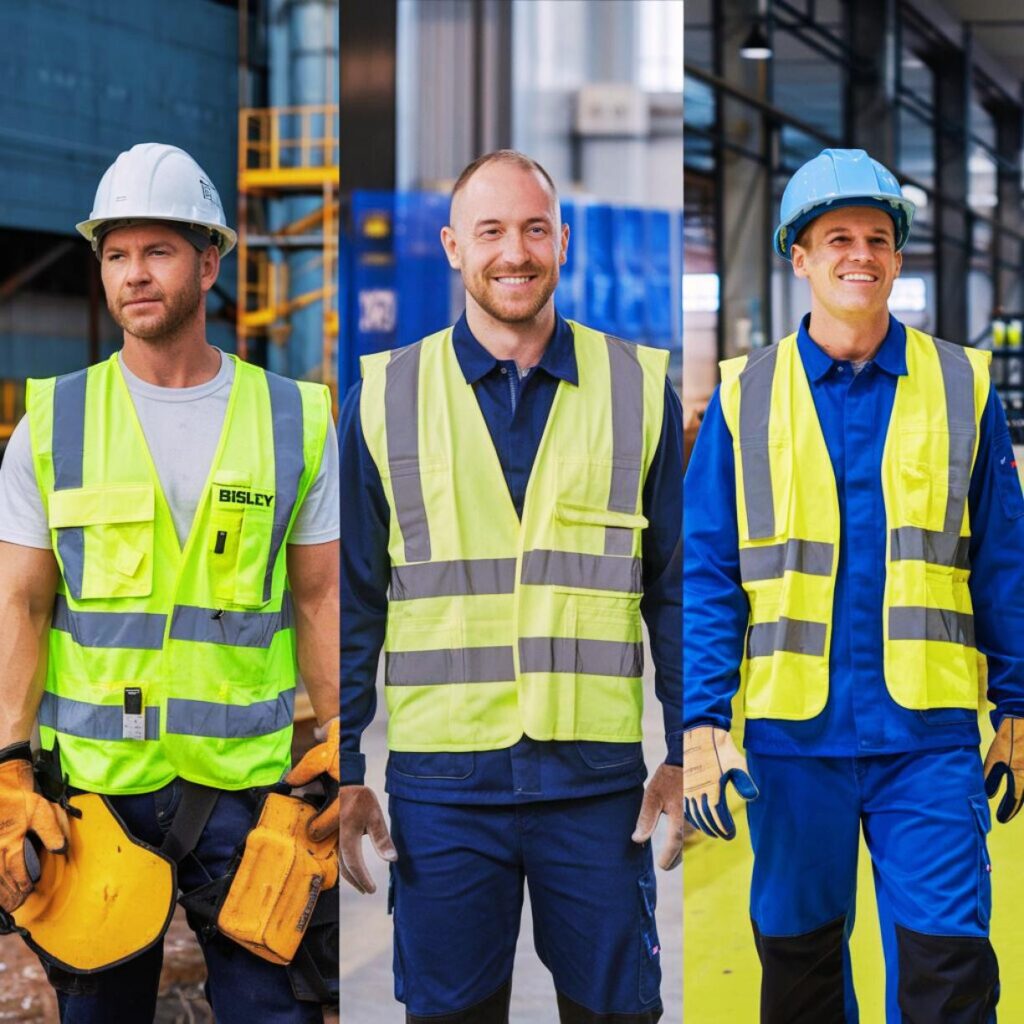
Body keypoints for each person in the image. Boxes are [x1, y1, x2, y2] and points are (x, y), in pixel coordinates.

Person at [339, 150, 682, 1023]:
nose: (513, 252)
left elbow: (674, 592)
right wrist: (342, 766)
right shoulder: (384, 398)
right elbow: (349, 602)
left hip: (596, 786)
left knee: (618, 1012)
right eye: (490, 231)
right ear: (454, 247)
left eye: (533, 229)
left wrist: (687, 748)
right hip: (446, 788)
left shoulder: (639, 391)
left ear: (563, 243)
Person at [0, 142, 340, 1023]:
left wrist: (343, 741)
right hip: (97, 802)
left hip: (250, 798)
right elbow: (22, 606)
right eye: (116, 254)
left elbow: (318, 598)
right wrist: (8, 769)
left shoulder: (294, 420)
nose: (133, 274)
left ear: (210, 261)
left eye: (157, 251)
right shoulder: (51, 425)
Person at [683, 147, 1024, 1023]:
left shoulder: (964, 386)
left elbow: (1005, 560)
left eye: (878, 237)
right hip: (796, 745)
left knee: (949, 968)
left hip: (931, 742)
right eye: (837, 237)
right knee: (796, 972)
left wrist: (1019, 705)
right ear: (799, 256)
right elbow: (712, 569)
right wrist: (703, 720)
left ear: (898, 257)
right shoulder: (741, 397)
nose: (859, 255)